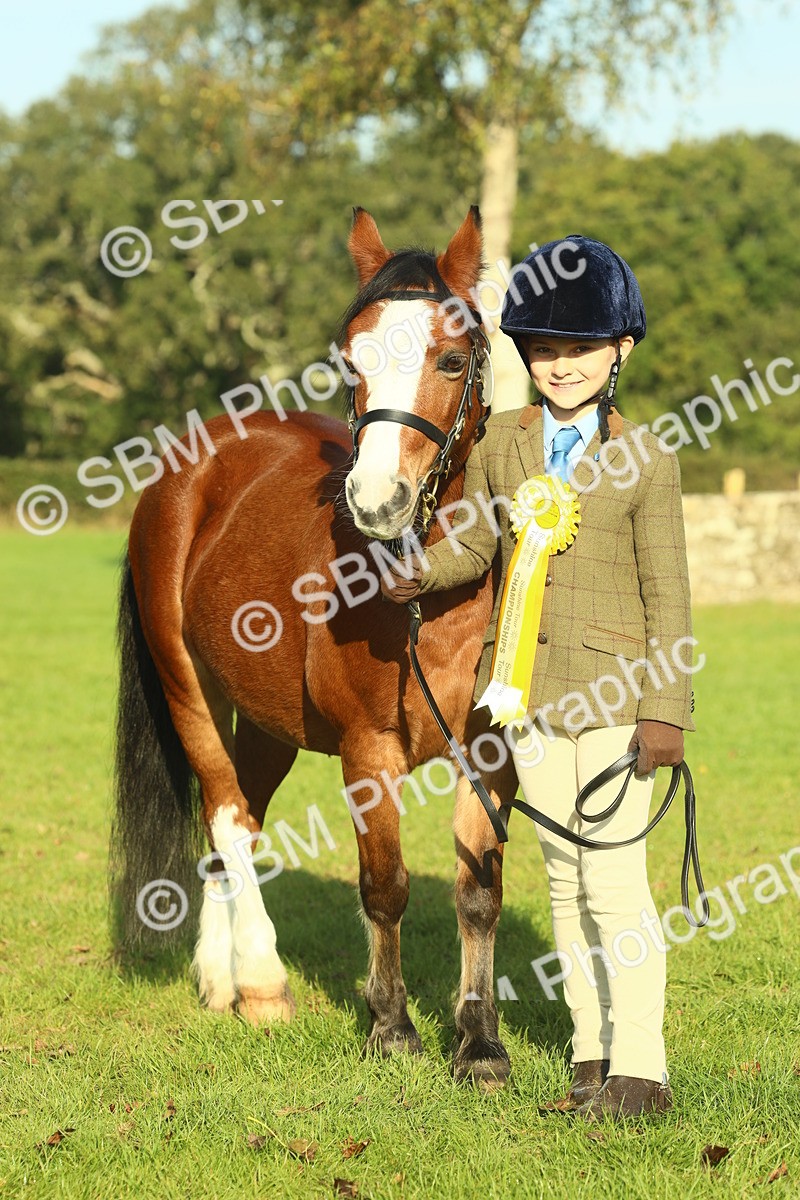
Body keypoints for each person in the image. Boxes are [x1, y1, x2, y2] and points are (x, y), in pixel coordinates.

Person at [380, 234, 695, 1120]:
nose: (561, 367)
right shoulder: (501, 449)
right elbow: (480, 544)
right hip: (522, 692)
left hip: (617, 698)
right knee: (562, 877)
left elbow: (668, 596)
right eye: (546, 350)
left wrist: (666, 712)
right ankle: (591, 1061)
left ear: (620, 351)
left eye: (581, 349)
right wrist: (421, 571)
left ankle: (643, 1070)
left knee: (616, 882)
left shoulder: (649, 461)